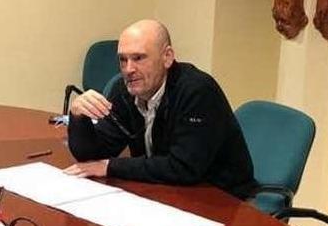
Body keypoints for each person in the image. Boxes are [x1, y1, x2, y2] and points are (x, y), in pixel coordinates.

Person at [65, 19, 257, 200]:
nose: (128, 69)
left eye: (138, 58)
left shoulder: (197, 91)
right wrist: (78, 118)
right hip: (167, 189)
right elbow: (92, 157)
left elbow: (183, 167)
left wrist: (110, 166)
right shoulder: (124, 90)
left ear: (167, 57)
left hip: (220, 196)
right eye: (123, 60)